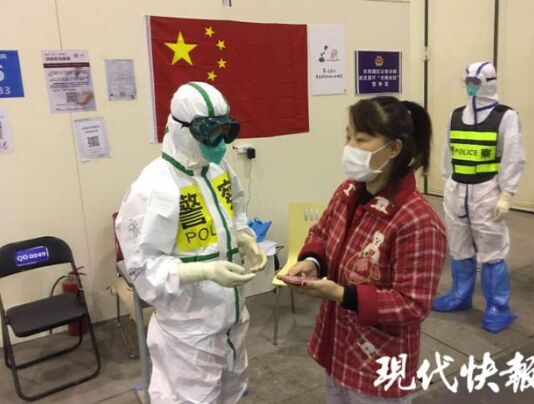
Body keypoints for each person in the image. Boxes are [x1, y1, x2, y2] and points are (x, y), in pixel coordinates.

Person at [283, 96, 447, 402]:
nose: (350, 148)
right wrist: (313, 261)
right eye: (348, 137)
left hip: (379, 363)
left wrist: (342, 295)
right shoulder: (348, 191)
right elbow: (322, 231)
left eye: (361, 139)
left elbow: (412, 304)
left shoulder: (417, 221)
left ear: (394, 148)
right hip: (338, 349)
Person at [115, 81, 267, 403]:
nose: (220, 144)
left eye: (225, 132)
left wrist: (244, 239)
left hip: (232, 320)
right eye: (211, 135)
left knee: (233, 392)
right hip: (189, 333)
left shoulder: (218, 169)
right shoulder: (153, 188)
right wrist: (205, 271)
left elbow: (235, 211)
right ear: (182, 131)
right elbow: (144, 271)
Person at [432, 61, 525, 334]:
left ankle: (498, 307)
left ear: (489, 83)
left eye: (477, 82)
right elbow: (448, 151)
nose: (472, 87)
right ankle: (460, 295)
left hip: (486, 191)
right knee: (459, 245)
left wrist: (506, 193)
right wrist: (447, 181)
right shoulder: (456, 115)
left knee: (492, 250)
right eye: (468, 82)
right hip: (456, 189)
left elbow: (513, 156)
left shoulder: (505, 116)